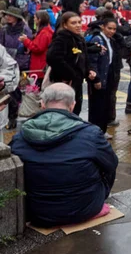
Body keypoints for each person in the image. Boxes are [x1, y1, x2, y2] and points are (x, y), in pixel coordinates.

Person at [10, 83, 118, 228]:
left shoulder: (19, 138)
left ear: (42, 104)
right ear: (72, 106)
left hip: (38, 213)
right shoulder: (92, 134)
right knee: (104, 162)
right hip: (85, 209)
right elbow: (111, 164)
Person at [46, 13, 96, 116]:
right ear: (65, 25)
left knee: (75, 110)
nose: (78, 25)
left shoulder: (79, 39)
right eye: (73, 23)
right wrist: (71, 75)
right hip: (64, 83)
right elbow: (53, 58)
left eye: (79, 22)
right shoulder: (61, 39)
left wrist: (88, 70)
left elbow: (84, 58)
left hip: (77, 83)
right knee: (64, 112)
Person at [0, 6, 32, 129]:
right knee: (8, 93)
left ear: (16, 18)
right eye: (6, 15)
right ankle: (11, 117)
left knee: (17, 92)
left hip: (20, 62)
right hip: (5, 62)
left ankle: (14, 115)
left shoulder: (25, 30)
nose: (7, 17)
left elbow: (27, 48)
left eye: (10, 15)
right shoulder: (4, 30)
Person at [87, 18, 118, 135]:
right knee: (97, 106)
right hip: (99, 77)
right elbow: (93, 61)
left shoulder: (109, 40)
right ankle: (96, 131)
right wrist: (97, 79)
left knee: (104, 105)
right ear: (102, 27)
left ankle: (101, 131)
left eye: (114, 29)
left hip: (108, 76)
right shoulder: (98, 39)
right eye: (109, 28)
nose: (112, 31)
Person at [19, 10, 54, 81]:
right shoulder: (45, 31)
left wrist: (26, 41)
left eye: (35, 18)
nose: (34, 19)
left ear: (39, 19)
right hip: (40, 64)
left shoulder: (44, 33)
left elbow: (37, 48)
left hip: (40, 64)